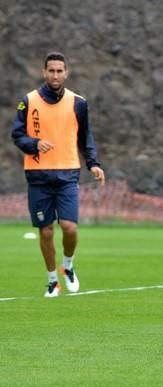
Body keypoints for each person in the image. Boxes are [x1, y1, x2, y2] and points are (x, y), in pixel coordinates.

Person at [11, 52, 105, 298]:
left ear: (66, 73)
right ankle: (52, 280)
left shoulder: (78, 102)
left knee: (70, 227)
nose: (55, 75)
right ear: (44, 72)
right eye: (51, 70)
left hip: (67, 172)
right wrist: (34, 144)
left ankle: (68, 265)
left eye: (59, 71)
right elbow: (17, 135)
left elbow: (86, 137)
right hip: (37, 174)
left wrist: (93, 163)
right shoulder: (28, 101)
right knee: (46, 231)